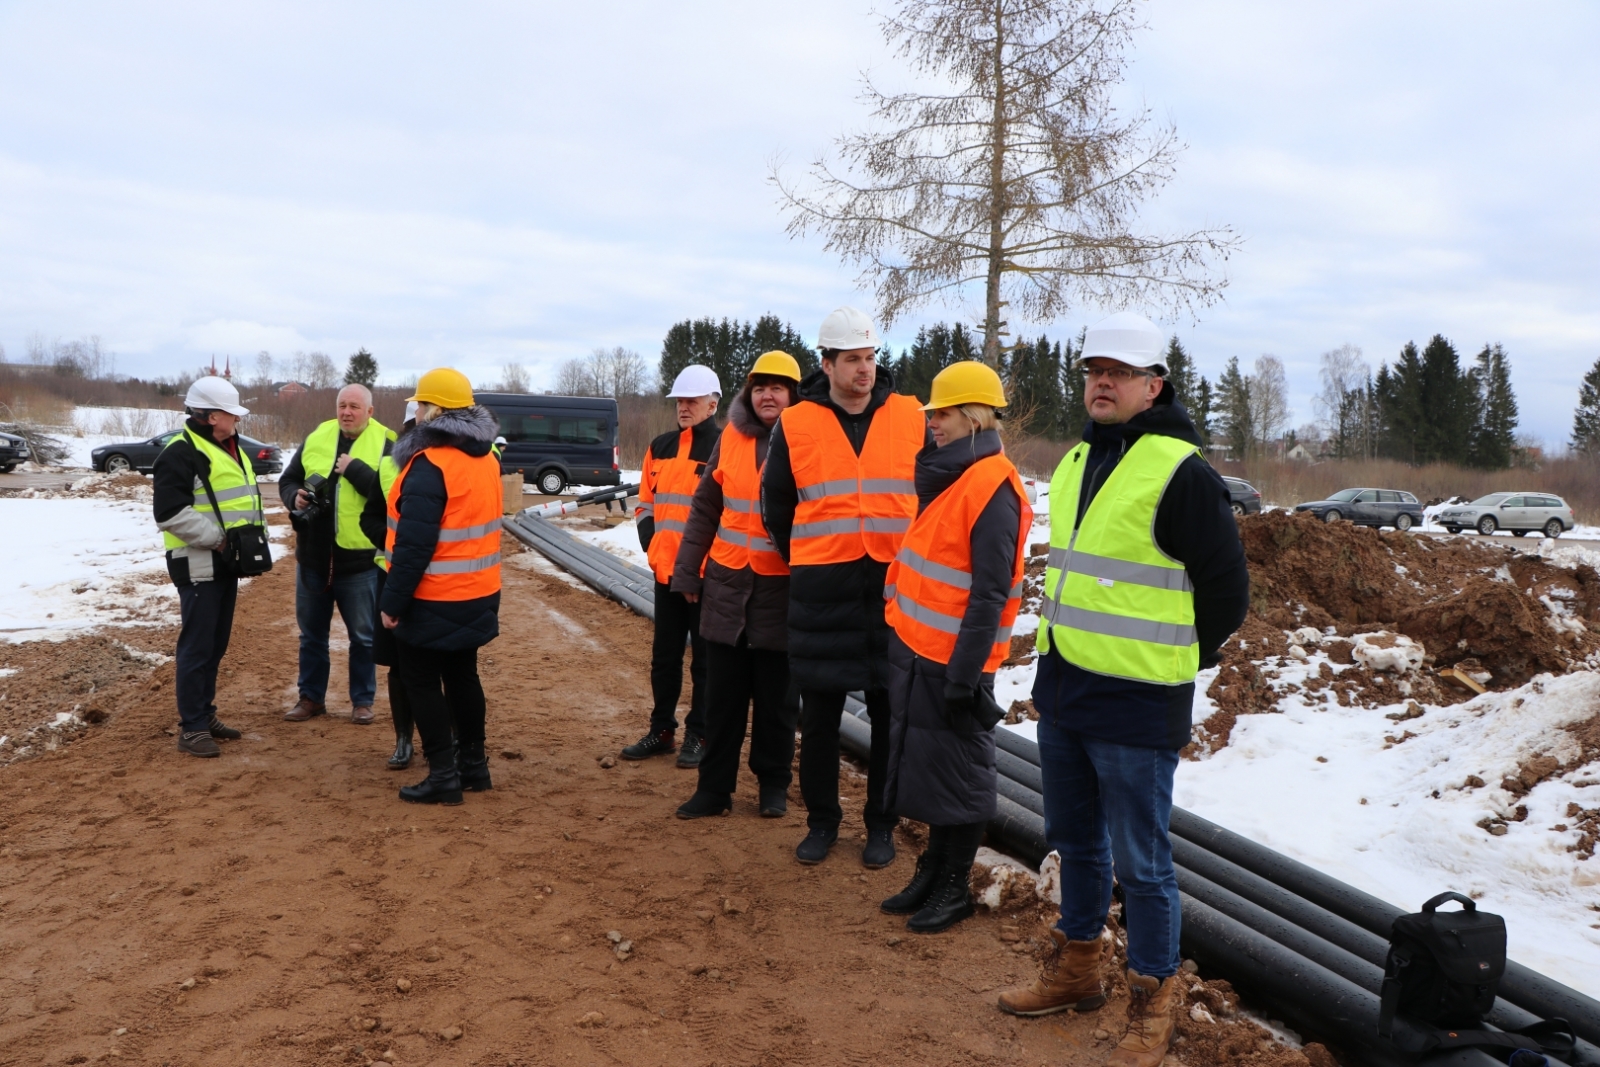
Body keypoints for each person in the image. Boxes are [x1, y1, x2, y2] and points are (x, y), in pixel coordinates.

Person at [996, 313, 1249, 1067]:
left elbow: (1227, 592)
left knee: (1142, 862)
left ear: (1153, 385)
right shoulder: (1077, 461)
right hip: (1068, 690)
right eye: (1092, 371)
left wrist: (1174, 658)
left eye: (1118, 372)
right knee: (1074, 842)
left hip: (1137, 702)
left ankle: (1152, 994)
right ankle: (1077, 970)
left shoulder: (1182, 472)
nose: (1101, 382)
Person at [761, 306, 929, 868]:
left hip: (892, 592)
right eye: (853, 359)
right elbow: (776, 505)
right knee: (821, 718)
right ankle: (822, 822)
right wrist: (806, 558)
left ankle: (880, 826)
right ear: (827, 363)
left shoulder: (910, 416)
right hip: (821, 592)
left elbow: (933, 495)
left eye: (871, 357)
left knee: (889, 717)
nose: (865, 369)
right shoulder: (797, 423)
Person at [880, 362, 1030, 933]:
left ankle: (954, 886)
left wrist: (965, 677)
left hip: (956, 664)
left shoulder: (993, 485)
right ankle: (932, 869)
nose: (932, 425)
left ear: (970, 416)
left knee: (963, 778)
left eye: (939, 414)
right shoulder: (956, 478)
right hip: (923, 652)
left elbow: (990, 593)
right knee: (934, 773)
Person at [670, 352, 802, 819]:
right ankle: (713, 789)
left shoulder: (806, 440)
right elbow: (705, 507)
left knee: (777, 701)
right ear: (749, 393)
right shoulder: (730, 438)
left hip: (780, 589)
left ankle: (772, 786)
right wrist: (687, 569)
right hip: (725, 585)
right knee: (720, 698)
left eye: (778, 387)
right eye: (760, 386)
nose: (768, 394)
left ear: (793, 394)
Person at [380, 369, 503, 805]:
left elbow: (413, 547)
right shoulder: (487, 458)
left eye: (419, 405)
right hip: (478, 591)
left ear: (435, 411)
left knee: (421, 680)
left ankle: (443, 776)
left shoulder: (429, 466)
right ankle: (474, 767)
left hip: (433, 597)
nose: (414, 411)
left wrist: (392, 602)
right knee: (463, 675)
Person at [151, 376, 265, 757]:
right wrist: (219, 539)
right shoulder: (179, 453)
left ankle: (205, 714)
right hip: (199, 562)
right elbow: (169, 514)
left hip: (224, 562)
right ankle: (193, 727)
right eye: (232, 414)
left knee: (215, 645)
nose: (237, 420)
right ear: (213, 415)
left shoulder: (227, 447)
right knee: (197, 647)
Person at [620, 364, 721, 768]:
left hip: (707, 575)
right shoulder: (659, 446)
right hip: (666, 571)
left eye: (692, 400)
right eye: (680, 400)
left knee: (706, 662)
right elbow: (645, 503)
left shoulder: (725, 448)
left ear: (712, 404)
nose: (684, 406)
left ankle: (700, 732)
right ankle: (662, 729)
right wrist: (652, 544)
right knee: (664, 657)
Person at [280, 384, 396, 726]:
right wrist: (294, 498)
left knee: (363, 636)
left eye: (355, 407)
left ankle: (362, 701)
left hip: (359, 560)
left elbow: (393, 496)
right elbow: (288, 480)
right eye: (342, 406)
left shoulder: (389, 442)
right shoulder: (318, 436)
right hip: (314, 557)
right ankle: (311, 698)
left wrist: (356, 470)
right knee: (311, 635)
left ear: (370, 411)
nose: (347, 412)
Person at [373, 401, 417, 769]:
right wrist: (392, 546)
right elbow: (370, 516)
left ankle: (448, 736)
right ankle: (403, 739)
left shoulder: (449, 467)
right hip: (391, 575)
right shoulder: (390, 466)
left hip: (438, 581)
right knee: (399, 667)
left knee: (443, 665)